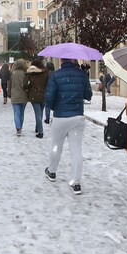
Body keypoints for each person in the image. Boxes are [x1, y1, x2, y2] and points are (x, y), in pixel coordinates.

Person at [44, 58, 92, 195]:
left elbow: (49, 97)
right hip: (77, 117)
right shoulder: (82, 75)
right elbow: (88, 95)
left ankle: (52, 171)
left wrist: (55, 108)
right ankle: (76, 182)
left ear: (61, 61)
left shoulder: (55, 75)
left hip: (60, 117)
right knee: (76, 150)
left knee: (56, 146)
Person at [26, 59, 49, 139]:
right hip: (43, 95)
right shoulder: (45, 72)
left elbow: (27, 84)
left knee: (37, 113)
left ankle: (40, 132)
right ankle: (37, 127)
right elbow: (48, 84)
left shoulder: (31, 73)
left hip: (34, 95)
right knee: (40, 112)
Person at [9, 59, 29, 136]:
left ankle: (18, 128)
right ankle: (20, 126)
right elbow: (27, 84)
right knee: (21, 113)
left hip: (15, 95)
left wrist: (9, 94)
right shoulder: (25, 73)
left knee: (16, 112)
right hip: (23, 95)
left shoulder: (12, 73)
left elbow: (9, 84)